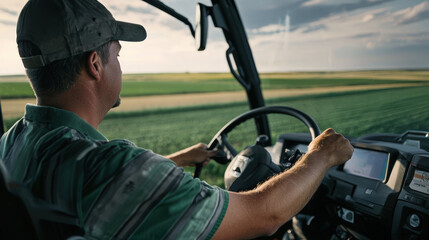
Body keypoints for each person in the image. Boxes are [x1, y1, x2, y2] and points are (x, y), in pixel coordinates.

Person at [0, 0, 354, 239]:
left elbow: (99, 192)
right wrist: (321, 155)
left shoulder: (13, 142)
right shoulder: (112, 166)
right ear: (95, 65)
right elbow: (265, 215)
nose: (119, 66)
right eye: (116, 55)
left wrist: (177, 161)